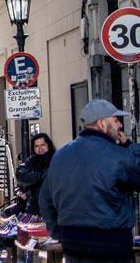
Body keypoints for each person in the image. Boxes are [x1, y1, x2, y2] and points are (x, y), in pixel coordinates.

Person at [40, 100, 140, 262]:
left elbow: (45, 199)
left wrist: (59, 233)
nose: (120, 125)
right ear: (101, 124)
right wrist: (130, 145)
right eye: (115, 120)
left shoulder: (61, 155)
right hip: (111, 244)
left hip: (74, 245)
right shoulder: (118, 156)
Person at [15, 132, 55, 216]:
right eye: (36, 146)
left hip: (54, 206)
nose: (40, 148)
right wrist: (40, 175)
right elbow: (21, 175)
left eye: (42, 145)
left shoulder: (56, 158)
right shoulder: (31, 161)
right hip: (35, 208)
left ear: (48, 145)